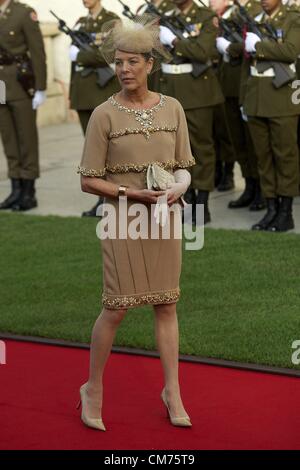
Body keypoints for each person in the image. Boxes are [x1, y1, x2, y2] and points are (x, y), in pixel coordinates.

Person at [76, 16, 195, 431]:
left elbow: (183, 166)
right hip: (122, 219)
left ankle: (172, 391)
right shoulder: (103, 115)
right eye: (118, 62)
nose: (123, 69)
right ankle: (92, 388)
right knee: (115, 308)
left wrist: (178, 187)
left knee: (167, 303)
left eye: (131, 62)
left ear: (149, 64)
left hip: (165, 218)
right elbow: (89, 181)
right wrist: (133, 195)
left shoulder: (173, 108)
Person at [158, 0, 225, 224]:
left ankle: (202, 205)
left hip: (197, 91)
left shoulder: (206, 16)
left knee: (200, 149)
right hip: (168, 88)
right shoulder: (164, 15)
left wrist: (174, 40)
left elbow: (203, 51)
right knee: (174, 153)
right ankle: (185, 200)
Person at [241, 0, 300, 231]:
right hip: (256, 98)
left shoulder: (293, 18)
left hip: (282, 98)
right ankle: (271, 209)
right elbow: (248, 68)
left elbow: (290, 51)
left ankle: (286, 213)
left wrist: (259, 46)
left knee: (284, 156)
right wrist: (244, 99)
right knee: (263, 158)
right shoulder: (255, 20)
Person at [69, 0, 120, 217]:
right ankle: (101, 198)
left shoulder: (111, 21)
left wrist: (79, 55)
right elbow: (75, 65)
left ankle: (110, 199)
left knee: (110, 150)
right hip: (83, 92)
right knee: (93, 153)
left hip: (101, 92)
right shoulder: (80, 22)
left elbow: (105, 54)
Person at [214, 0, 266, 209]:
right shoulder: (233, 10)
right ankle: (249, 185)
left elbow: (254, 44)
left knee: (253, 143)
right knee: (239, 142)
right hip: (228, 85)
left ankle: (262, 189)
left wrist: (230, 47)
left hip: (245, 84)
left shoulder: (256, 8)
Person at [0, 0, 47, 211]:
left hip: (20, 83)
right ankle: (15, 188)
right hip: (0, 85)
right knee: (8, 137)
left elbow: (37, 51)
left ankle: (29, 192)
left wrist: (41, 87)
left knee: (26, 138)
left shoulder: (23, 13)